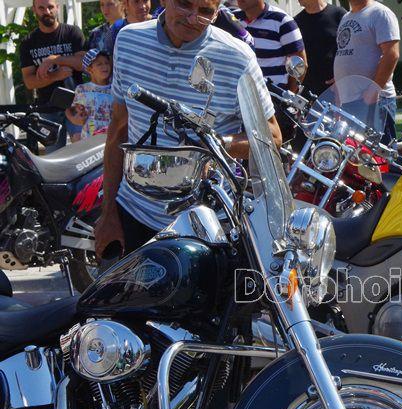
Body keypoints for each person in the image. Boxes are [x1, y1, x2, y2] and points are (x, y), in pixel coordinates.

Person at [93, 0, 281, 260]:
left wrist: (217, 145)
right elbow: (118, 128)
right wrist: (108, 212)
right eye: (184, 4)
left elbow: (272, 136)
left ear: (216, 14)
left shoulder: (237, 56)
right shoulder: (128, 40)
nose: (192, 18)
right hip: (135, 211)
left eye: (205, 11)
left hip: (207, 224)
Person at [18, 0, 85, 151]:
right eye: (41, 8)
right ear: (34, 10)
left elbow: (84, 63)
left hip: (77, 104)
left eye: (50, 7)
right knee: (55, 157)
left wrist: (55, 59)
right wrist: (55, 76)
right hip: (48, 109)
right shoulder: (28, 42)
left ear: (57, 7)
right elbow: (29, 82)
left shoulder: (72, 33)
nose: (47, 12)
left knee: (84, 153)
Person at [334, 0, 400, 143]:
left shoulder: (380, 13)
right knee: (355, 155)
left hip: (374, 102)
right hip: (349, 103)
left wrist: (374, 90)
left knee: (380, 154)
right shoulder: (346, 17)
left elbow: (392, 54)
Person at [234, 0, 306, 92]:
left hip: (273, 96)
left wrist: (287, 96)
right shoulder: (231, 19)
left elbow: (299, 64)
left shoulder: (282, 21)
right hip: (240, 95)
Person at [293, 0, 345, 97]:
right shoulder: (296, 22)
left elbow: (352, 49)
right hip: (307, 91)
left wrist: (343, 75)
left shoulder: (339, 15)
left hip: (335, 89)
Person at [66, 49, 113, 141]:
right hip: (89, 139)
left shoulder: (115, 88)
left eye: (106, 63)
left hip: (111, 138)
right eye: (99, 64)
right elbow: (72, 110)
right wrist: (76, 118)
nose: (105, 66)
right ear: (89, 69)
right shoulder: (82, 90)